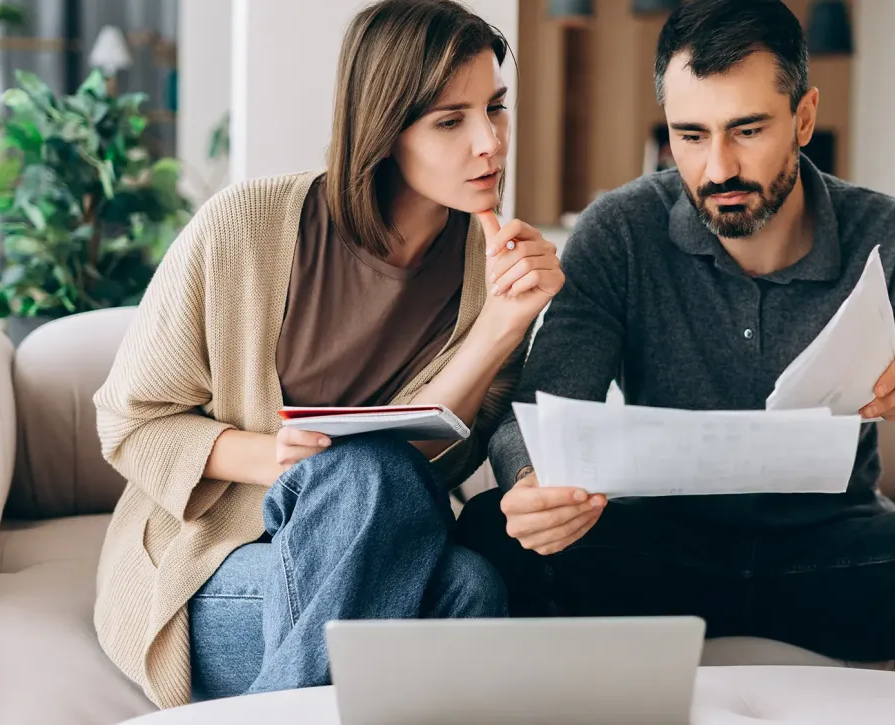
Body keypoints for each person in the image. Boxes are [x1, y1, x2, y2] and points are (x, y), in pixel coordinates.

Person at [457, 0, 895, 706]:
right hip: (659, 549)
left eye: (747, 130)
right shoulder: (619, 231)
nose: (718, 167)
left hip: (834, 551)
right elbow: (537, 413)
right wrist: (530, 481)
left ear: (803, 118)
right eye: (690, 134)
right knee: (490, 531)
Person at [92, 0, 564, 707]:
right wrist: (282, 455)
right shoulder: (242, 227)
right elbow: (130, 424)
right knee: (365, 473)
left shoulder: (488, 268)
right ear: (383, 130)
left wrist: (500, 326)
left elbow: (445, 458)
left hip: (381, 554)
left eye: (495, 108)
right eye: (450, 121)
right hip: (220, 567)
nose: (490, 142)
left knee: (472, 580)